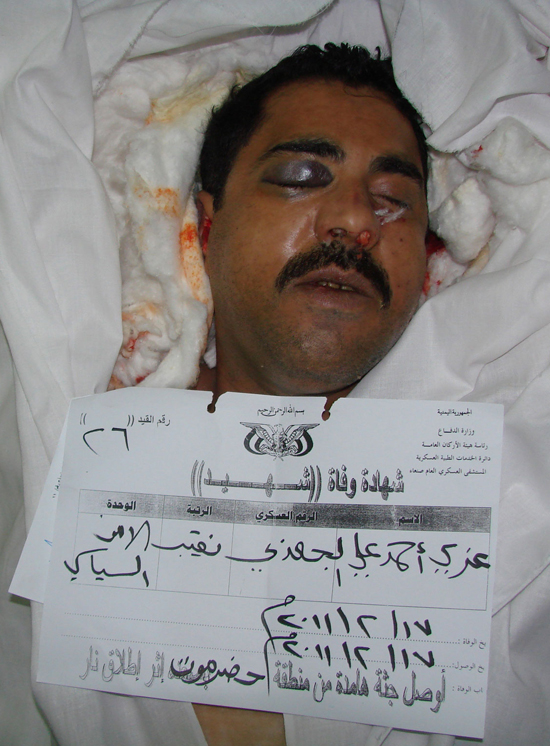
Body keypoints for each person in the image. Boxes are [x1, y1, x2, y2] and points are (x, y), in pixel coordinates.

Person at [189, 43, 430, 746]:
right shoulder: (59, 438)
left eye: (393, 200)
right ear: (205, 225)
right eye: (301, 176)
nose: (355, 220)